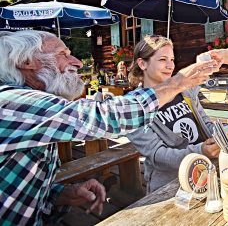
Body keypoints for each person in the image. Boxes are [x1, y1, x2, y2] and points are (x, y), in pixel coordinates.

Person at [0, 30, 216, 225]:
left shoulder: (27, 112)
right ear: (26, 61)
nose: (76, 62)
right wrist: (179, 81)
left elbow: (16, 188)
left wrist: (60, 193)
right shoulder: (10, 102)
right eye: (63, 54)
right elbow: (102, 117)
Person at [126, 35, 220, 194]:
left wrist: (224, 135)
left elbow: (206, 125)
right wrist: (200, 151)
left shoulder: (185, 92)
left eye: (172, 59)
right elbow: (158, 156)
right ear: (142, 63)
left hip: (207, 171)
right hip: (171, 186)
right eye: (163, 59)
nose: (170, 66)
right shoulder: (133, 107)